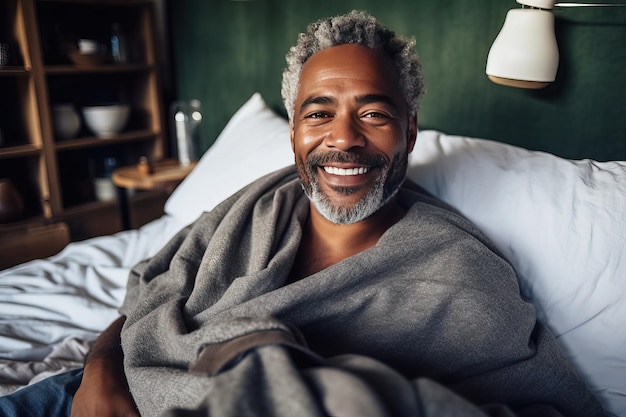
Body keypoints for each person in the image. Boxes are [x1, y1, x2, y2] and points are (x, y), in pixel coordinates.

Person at [0, 10, 604, 417]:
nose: (343, 139)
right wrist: (101, 371)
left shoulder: (457, 270)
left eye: (373, 113)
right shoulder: (248, 210)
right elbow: (147, 292)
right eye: (319, 114)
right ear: (293, 134)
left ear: (410, 132)